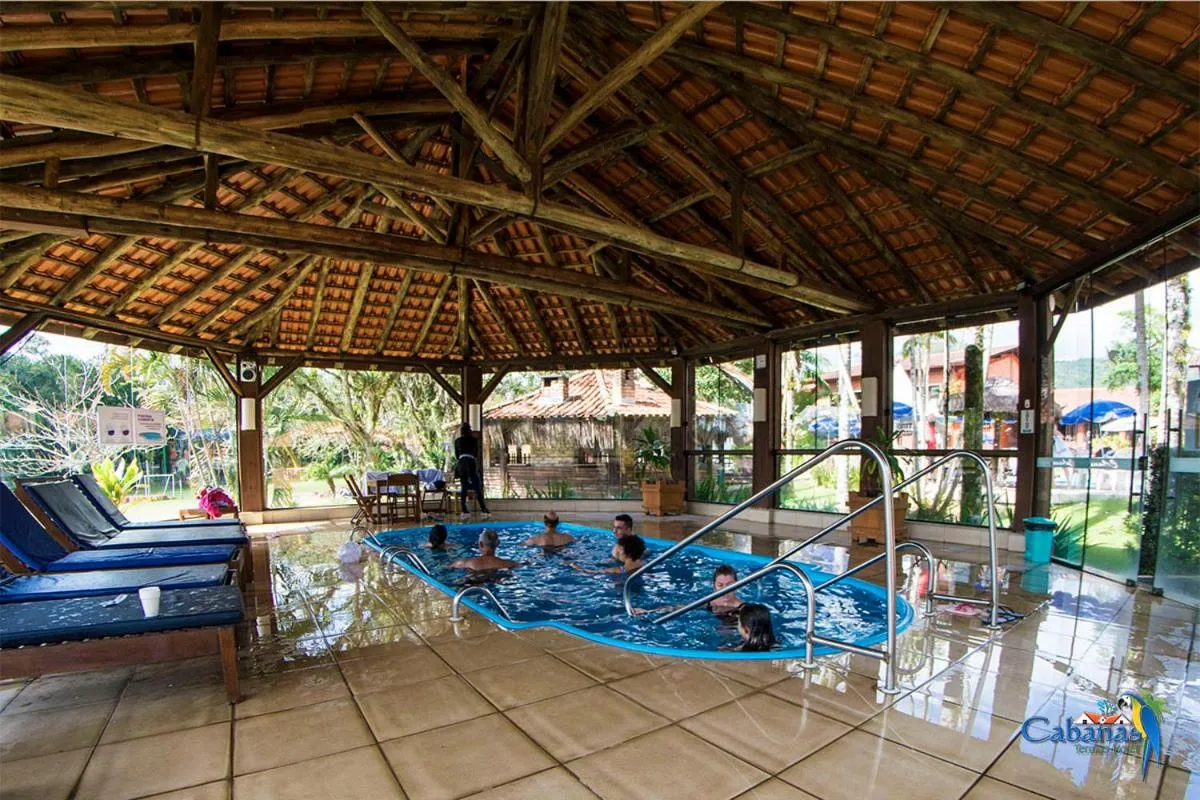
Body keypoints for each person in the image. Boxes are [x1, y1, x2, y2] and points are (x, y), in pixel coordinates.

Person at [454, 422, 490, 517]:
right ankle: (483, 509)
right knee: (476, 486)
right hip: (470, 462)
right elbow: (476, 454)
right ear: (469, 431)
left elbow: (457, 455)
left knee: (464, 486)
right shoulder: (473, 440)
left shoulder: (457, 441)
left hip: (461, 463)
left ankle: (464, 509)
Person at [571, 534, 645, 575]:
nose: (618, 552)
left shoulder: (618, 570)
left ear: (624, 551)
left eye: (619, 549)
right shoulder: (643, 563)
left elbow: (590, 572)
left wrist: (574, 565)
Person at [450, 530, 520, 571]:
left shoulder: (465, 563)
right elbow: (522, 564)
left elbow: (448, 567)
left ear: (481, 544)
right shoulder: (509, 564)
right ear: (498, 544)